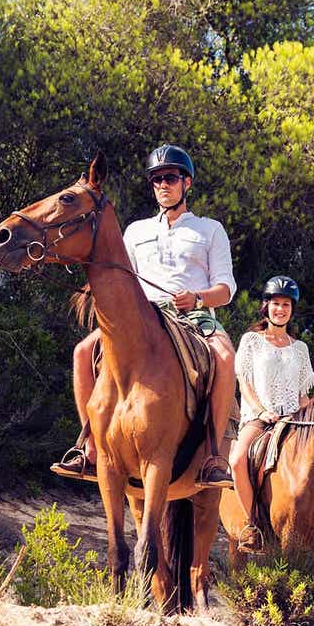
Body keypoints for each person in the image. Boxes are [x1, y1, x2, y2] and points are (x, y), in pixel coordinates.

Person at [52, 145, 237, 488]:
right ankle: (89, 447)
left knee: (225, 357)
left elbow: (226, 289)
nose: (162, 185)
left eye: (170, 178)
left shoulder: (210, 230)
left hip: (193, 317)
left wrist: (198, 298)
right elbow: (122, 280)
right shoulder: (136, 231)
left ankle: (214, 455)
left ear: (187, 183)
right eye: (156, 180)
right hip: (143, 317)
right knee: (81, 352)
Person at [229, 275, 314, 552]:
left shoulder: (300, 349)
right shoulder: (251, 341)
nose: (281, 309)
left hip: (295, 421)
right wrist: (263, 411)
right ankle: (253, 525)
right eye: (276, 303)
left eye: (286, 304)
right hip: (260, 419)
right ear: (266, 307)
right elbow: (245, 384)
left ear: (292, 309)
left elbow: (302, 395)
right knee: (238, 459)